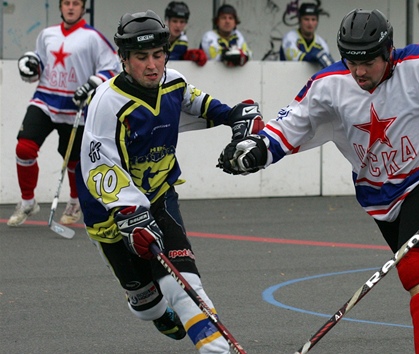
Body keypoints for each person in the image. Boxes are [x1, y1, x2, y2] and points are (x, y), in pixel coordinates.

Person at [218, 8, 419, 353]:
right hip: (378, 197)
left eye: (368, 61)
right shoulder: (328, 85)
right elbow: (290, 126)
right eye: (351, 61)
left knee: (416, 269)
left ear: (388, 52)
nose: (359, 71)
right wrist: (256, 149)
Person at [76, 10, 263, 353]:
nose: (152, 65)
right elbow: (99, 168)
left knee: (184, 281)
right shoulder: (107, 102)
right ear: (124, 59)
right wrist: (129, 211)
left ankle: (216, 349)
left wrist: (235, 116)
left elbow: (199, 104)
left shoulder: (173, 82)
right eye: (141, 57)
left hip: (160, 196)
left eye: (158, 55)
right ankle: (154, 309)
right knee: (148, 303)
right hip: (110, 211)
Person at [9, 0, 119, 227]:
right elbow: (40, 62)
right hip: (45, 100)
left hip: (75, 106)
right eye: (66, 3)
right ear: (60, 7)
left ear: (83, 8)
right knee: (24, 148)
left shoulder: (93, 37)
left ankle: (74, 201)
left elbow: (112, 68)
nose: (70, 7)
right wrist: (30, 65)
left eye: (76, 3)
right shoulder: (47, 34)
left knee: (74, 160)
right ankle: (27, 202)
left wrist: (92, 84)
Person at [279, 2, 334, 68]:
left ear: (317, 21)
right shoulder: (289, 37)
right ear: (299, 20)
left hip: (313, 78)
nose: (310, 23)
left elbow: (329, 65)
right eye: (306, 19)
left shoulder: (321, 43)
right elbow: (295, 57)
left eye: (313, 19)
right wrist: (313, 56)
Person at [164, 1, 207, 66]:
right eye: (174, 21)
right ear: (167, 21)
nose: (178, 25)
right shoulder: (157, 38)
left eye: (182, 22)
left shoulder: (183, 41)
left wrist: (189, 56)